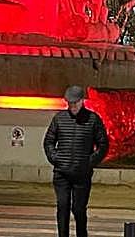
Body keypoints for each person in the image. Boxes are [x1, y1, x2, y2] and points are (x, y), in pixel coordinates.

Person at [43, 85, 108, 237]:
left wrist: (89, 162)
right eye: (69, 103)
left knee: (79, 209)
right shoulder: (59, 119)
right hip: (62, 173)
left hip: (82, 174)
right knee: (63, 207)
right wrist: (55, 158)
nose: (72, 106)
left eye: (75, 103)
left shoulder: (93, 119)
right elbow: (48, 142)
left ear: (82, 101)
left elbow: (103, 145)